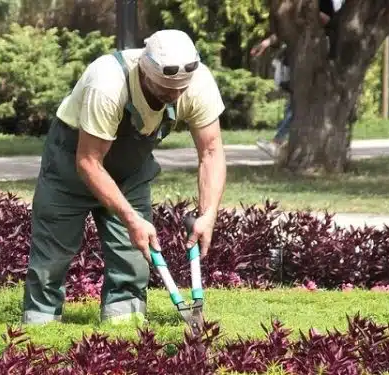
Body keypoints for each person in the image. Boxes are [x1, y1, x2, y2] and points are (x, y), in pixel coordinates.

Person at [21, 29, 227, 325]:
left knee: (133, 259)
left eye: (179, 90)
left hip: (130, 172)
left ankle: (124, 331)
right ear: (144, 71)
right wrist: (131, 218)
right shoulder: (108, 83)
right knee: (52, 257)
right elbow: (88, 162)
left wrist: (208, 214)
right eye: (164, 89)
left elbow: (211, 151)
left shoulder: (197, 83)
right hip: (71, 166)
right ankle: (40, 332)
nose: (173, 96)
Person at [251, 0, 343, 160]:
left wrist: (311, 15)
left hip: (320, 59)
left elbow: (331, 22)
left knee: (297, 103)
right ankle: (287, 145)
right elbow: (286, 31)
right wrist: (265, 43)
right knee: (296, 102)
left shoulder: (324, 3)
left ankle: (279, 142)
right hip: (301, 61)